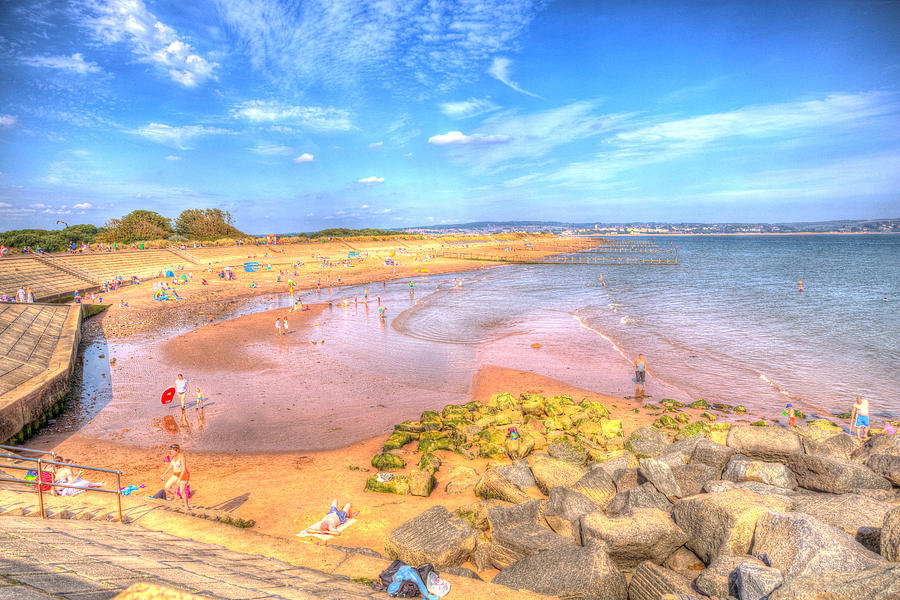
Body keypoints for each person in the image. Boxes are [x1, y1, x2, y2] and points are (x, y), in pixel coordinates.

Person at [161, 444, 190, 509]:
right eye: (170, 450)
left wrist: (179, 479)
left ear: (176, 450)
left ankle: (186, 506)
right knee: (167, 487)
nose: (171, 452)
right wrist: (164, 474)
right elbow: (170, 467)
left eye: (172, 450)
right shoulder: (173, 457)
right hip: (176, 474)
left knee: (182, 491)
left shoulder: (181, 456)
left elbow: (184, 469)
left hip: (183, 474)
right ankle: (176, 496)